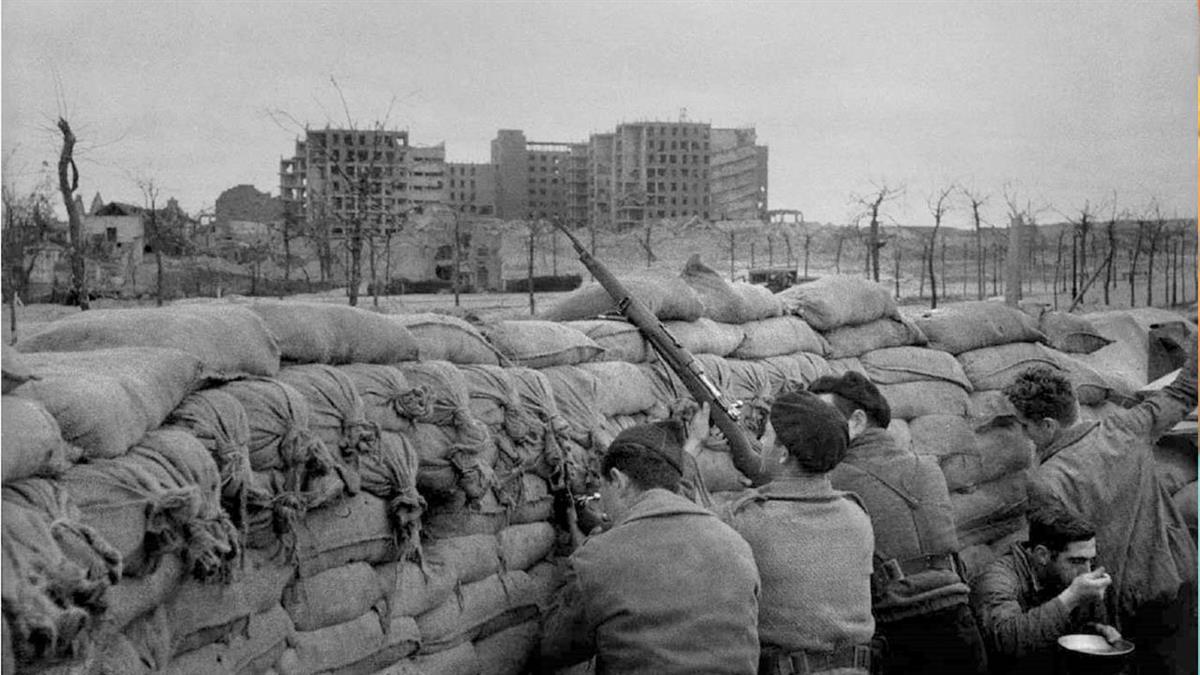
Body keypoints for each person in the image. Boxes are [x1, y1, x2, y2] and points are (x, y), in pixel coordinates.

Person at [1004, 342, 1197, 675]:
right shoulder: (1128, 426)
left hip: (1120, 612)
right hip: (1177, 583)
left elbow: (1066, 566)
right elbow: (1185, 390)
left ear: (1048, 425)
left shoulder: (1045, 482)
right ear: (1077, 404)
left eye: (1025, 425)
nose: (1023, 434)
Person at [537, 420, 761, 674]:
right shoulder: (736, 544)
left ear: (617, 480)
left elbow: (553, 649)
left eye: (602, 490)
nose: (602, 504)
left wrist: (582, 557)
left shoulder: (598, 558)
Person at [809, 372, 987, 675]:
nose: (811, 431)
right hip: (962, 627)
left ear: (856, 421)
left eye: (820, 420)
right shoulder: (928, 468)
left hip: (900, 635)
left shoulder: (834, 480)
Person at [692, 390, 876, 675]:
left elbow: (683, 522)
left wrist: (693, 446)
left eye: (766, 436)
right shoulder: (857, 515)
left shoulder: (748, 521)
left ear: (784, 454)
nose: (761, 443)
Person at [970, 506, 1120, 675]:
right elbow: (1007, 641)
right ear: (1042, 555)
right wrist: (1070, 598)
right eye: (1077, 561)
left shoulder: (1067, 575)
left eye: (1090, 561)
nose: (1086, 572)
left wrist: (1095, 630)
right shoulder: (998, 578)